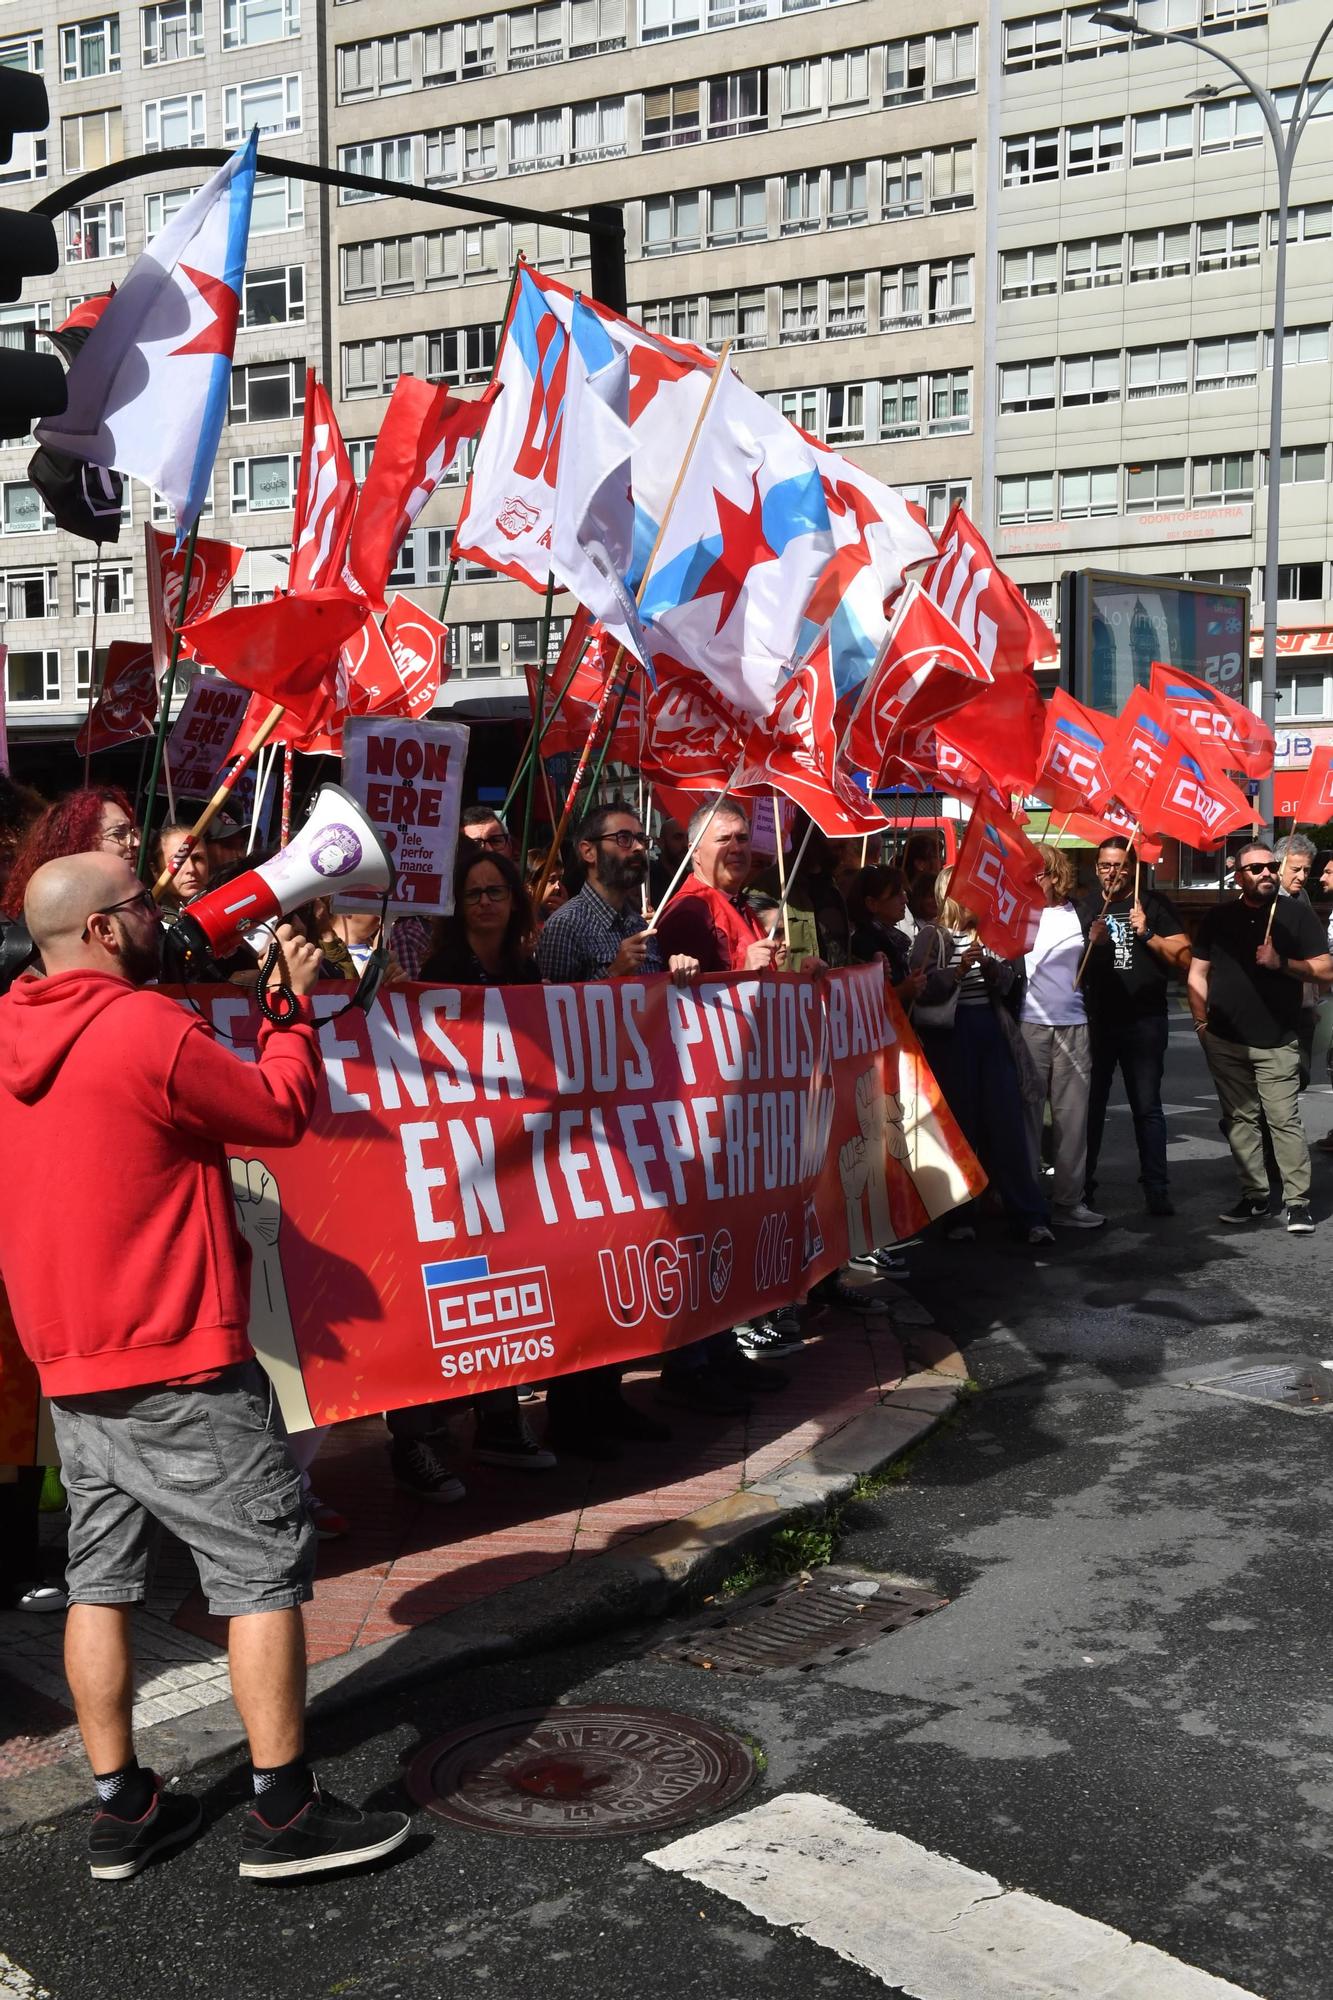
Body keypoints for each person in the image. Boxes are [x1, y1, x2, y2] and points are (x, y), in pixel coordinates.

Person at [0, 851, 408, 1881]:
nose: (165, 914)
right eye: (141, 902)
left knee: (99, 1580)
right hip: (178, 1355)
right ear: (101, 930)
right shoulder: (144, 1027)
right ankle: (284, 1810)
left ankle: (123, 1804)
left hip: (73, 1363)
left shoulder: (10, 1027)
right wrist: (287, 1011)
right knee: (258, 1571)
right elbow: (277, 1112)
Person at [537, 801, 699, 1458]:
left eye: (639, 838)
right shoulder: (566, 927)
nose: (637, 848)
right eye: (623, 838)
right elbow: (546, 1027)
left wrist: (674, 980)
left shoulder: (640, 921)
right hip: (585, 1129)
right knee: (583, 1269)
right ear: (588, 851)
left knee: (623, 1261)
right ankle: (570, 1415)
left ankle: (608, 1396)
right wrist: (613, 976)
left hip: (638, 1117)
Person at [417, 848, 560, 1471]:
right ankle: (424, 1428)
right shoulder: (442, 969)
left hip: (519, 1150)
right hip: (460, 1152)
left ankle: (500, 1418)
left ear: (514, 900)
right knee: (467, 1282)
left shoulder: (526, 969)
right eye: (472, 893)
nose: (484, 903)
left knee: (516, 1276)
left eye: (495, 891)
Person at [653, 799, 800, 1374]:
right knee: (705, 1228)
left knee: (732, 1224)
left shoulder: (738, 903)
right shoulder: (689, 909)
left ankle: (723, 1350)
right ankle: (696, 1365)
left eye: (742, 837)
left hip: (742, 1094)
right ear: (695, 850)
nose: (738, 848)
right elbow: (690, 1001)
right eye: (724, 839)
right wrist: (745, 962)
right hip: (705, 1102)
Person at [1188, 839, 1333, 1234]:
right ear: (1239, 876)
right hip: (1225, 1039)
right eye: (1256, 869)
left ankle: (1297, 1203)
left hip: (1278, 1040)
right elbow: (1197, 972)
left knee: (1284, 1121)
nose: (1267, 872)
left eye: (1271, 866)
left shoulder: (1296, 915)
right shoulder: (1218, 917)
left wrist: (1281, 962)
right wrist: (1201, 1024)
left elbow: (1325, 969)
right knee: (1240, 1121)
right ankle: (1254, 1196)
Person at [910, 868, 1053, 1246]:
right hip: (951, 1036)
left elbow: (1008, 983)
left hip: (989, 1030)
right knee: (961, 1126)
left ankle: (1029, 1214)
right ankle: (958, 1216)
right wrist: (958, 971)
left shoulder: (989, 932)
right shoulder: (933, 935)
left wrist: (992, 969)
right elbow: (921, 989)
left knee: (1006, 1122)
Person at [1078, 837, 1191, 1219]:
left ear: (1133, 869)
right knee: (1091, 1108)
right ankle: (1082, 1187)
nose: (1113, 872)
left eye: (1120, 865)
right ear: (1096, 869)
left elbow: (1185, 957)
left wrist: (1146, 933)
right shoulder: (1086, 907)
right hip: (1097, 1021)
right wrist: (1089, 943)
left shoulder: (1154, 904)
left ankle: (1156, 1188)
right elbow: (1068, 966)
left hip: (1144, 1021)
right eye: (1106, 865)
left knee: (1147, 1107)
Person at [1021, 847, 1104, 1230]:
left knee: (1072, 1118)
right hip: (1028, 1024)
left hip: (1074, 1023)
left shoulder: (1082, 913)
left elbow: (1099, 968)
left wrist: (1099, 943)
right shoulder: (1017, 915)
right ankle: (1027, 1202)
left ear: (1055, 876)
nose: (1029, 880)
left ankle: (1070, 1200)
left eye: (1036, 874)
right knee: (1027, 1117)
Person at [2, 785, 138, 922]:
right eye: (119, 833)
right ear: (80, 843)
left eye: (132, 831)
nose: (136, 842)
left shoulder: (135, 905)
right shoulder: (50, 920)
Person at [1275, 833, 1321, 1090]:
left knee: (1300, 1074)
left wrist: (1313, 1001)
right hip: (1274, 1006)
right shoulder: (1266, 898)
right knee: (1282, 1079)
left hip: (1303, 1006)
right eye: (1295, 869)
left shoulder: (1302, 896)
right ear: (1279, 866)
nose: (1302, 876)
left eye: (1306, 870)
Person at [847, 864, 927, 1007]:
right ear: (872, 903)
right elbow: (865, 1003)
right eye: (896, 894)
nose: (905, 900)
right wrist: (902, 991)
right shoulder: (864, 944)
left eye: (904, 892)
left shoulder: (893, 940)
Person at [153, 821, 210, 911]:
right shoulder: (147, 917)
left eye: (197, 858)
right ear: (155, 870)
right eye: (178, 861)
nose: (191, 869)